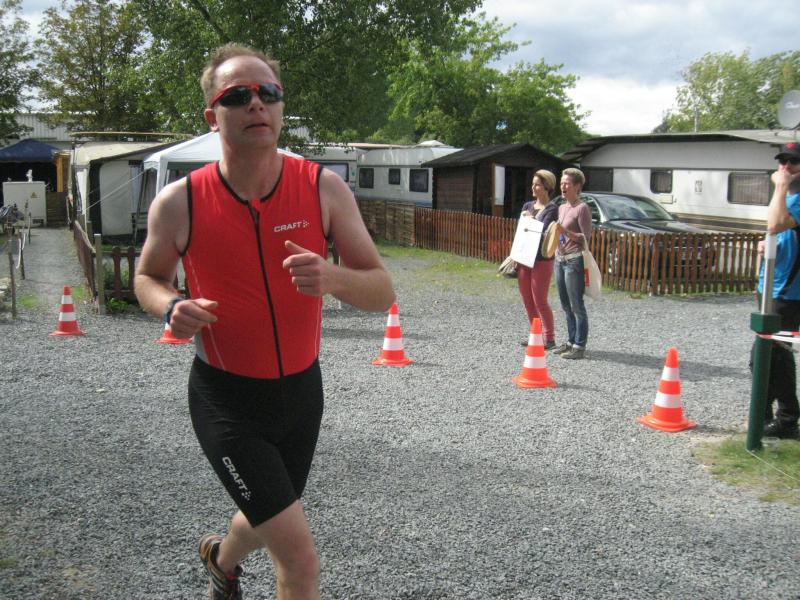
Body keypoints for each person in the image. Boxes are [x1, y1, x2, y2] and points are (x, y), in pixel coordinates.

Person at [134, 43, 395, 600]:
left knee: (266, 513)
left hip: (301, 394)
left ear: (280, 106)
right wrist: (171, 306)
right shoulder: (181, 202)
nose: (257, 104)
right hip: (226, 401)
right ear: (213, 115)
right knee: (299, 559)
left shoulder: (322, 188)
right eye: (238, 96)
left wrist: (334, 277)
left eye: (268, 93)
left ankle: (220, 560)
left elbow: (382, 291)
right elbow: (146, 278)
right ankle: (229, 563)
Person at [755, 142, 800, 439]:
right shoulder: (789, 198)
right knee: (769, 356)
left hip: (788, 293)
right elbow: (777, 232)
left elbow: (775, 223)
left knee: (773, 357)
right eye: (782, 161)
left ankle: (784, 420)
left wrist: (780, 186)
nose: (786, 167)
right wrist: (766, 245)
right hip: (771, 286)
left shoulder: (791, 197)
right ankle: (770, 416)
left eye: (793, 162)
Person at [551, 168, 592, 360]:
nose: (563, 186)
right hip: (560, 259)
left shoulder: (582, 208)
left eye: (567, 183)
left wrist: (566, 233)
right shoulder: (562, 207)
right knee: (565, 305)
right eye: (561, 183)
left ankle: (579, 345)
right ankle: (570, 340)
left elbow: (586, 238)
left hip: (574, 260)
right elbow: (559, 232)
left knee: (577, 305)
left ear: (577, 186)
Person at [516, 170, 558, 348]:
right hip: (524, 257)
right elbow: (521, 231)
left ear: (547, 187)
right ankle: (536, 335)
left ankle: (549, 338)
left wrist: (530, 219)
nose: (533, 187)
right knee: (527, 300)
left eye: (537, 185)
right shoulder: (527, 205)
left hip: (542, 260)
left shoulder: (552, 209)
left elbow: (544, 230)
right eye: (533, 184)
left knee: (540, 300)